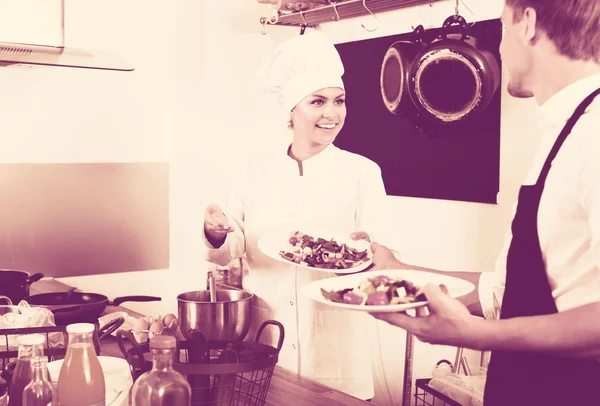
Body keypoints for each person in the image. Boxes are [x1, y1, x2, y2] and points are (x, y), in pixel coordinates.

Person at [368, 0, 600, 404]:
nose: (501, 49)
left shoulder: (594, 135)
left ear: (527, 24)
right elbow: (506, 292)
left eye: (502, 28)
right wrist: (400, 273)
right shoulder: (562, 131)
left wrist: (476, 336)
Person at [202, 30, 393, 401]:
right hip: (268, 334)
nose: (331, 113)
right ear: (291, 109)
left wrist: (366, 250)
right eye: (317, 101)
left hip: (337, 345)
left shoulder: (362, 172)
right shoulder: (254, 171)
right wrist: (216, 231)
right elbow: (231, 248)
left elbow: (383, 252)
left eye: (339, 101)